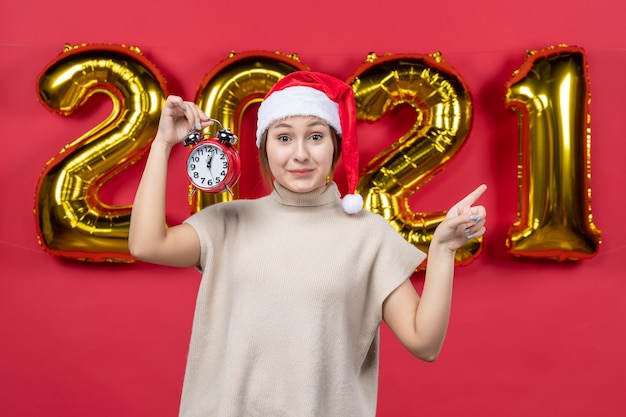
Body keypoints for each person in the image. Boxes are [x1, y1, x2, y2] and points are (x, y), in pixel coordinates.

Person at [129, 71, 487, 416]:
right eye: (283, 138)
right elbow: (146, 244)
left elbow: (424, 343)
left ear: (335, 146)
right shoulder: (228, 223)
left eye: (315, 137)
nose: (300, 154)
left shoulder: (367, 236)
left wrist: (443, 251)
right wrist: (162, 145)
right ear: (264, 148)